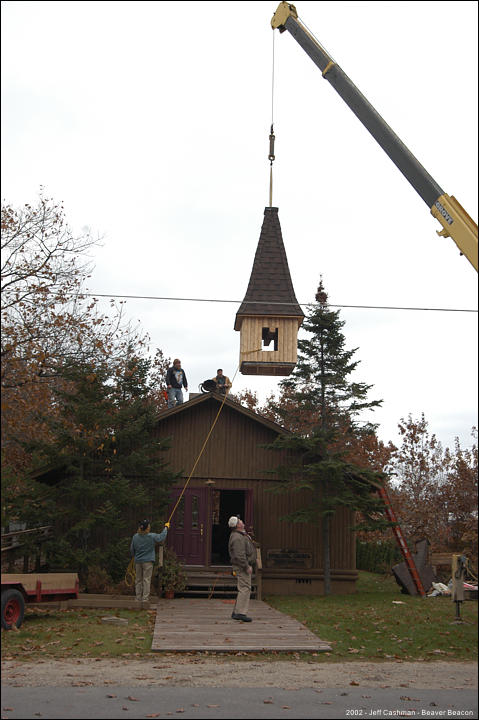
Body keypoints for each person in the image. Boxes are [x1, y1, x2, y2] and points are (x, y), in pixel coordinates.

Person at [130, 519, 169, 605]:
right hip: (148, 561)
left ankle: (138, 598)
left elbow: (132, 550)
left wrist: (134, 556)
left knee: (138, 580)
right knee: (146, 580)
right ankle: (145, 599)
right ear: (147, 528)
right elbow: (161, 537)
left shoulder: (135, 537)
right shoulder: (151, 536)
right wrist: (166, 527)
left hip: (138, 561)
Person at [228, 516, 256, 622]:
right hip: (242, 567)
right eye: (240, 521)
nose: (242, 522)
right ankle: (240, 613)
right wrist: (246, 566)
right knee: (244, 588)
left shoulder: (240, 535)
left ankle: (237, 611)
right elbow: (239, 555)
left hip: (242, 566)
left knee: (244, 588)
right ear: (237, 525)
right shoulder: (237, 537)